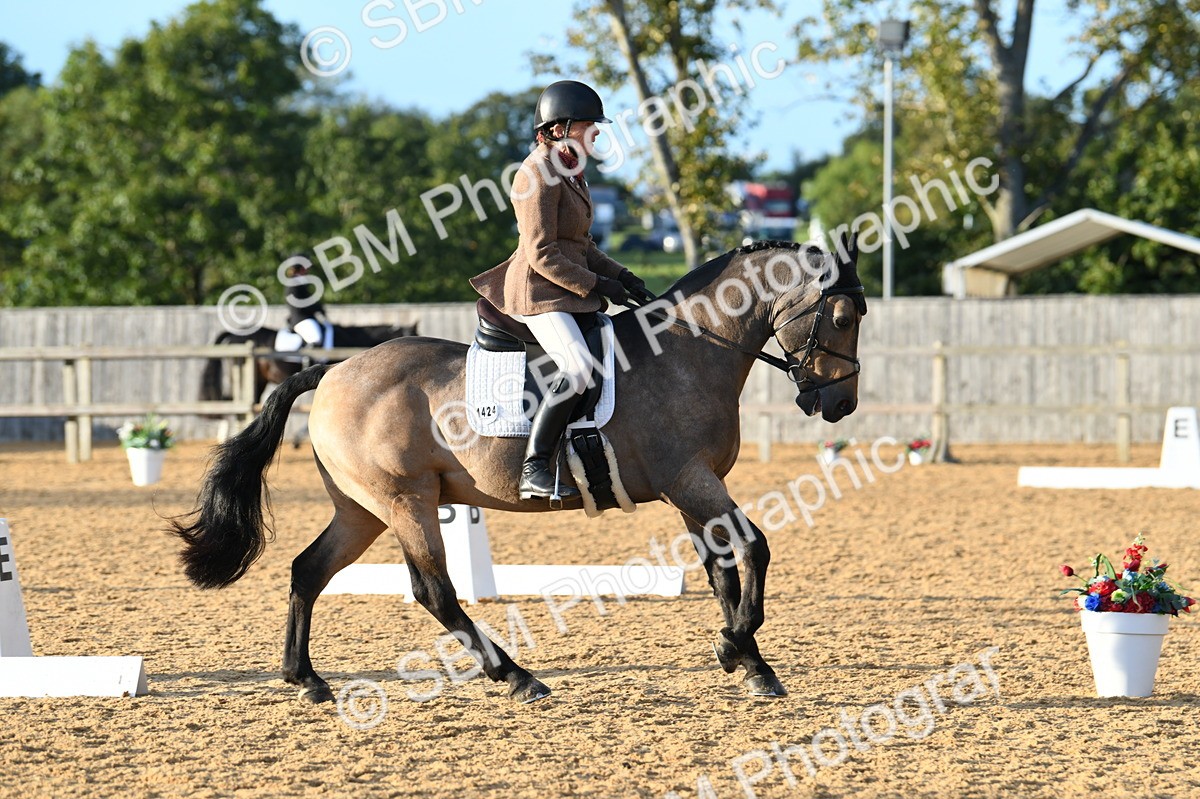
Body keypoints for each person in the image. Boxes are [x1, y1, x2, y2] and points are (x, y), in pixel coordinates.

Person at [470, 80, 646, 501]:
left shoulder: (572, 173)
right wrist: (598, 285)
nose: (596, 134)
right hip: (537, 293)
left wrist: (623, 277)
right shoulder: (535, 175)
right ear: (556, 129)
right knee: (578, 367)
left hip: (564, 291)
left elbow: (582, 246)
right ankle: (535, 467)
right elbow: (542, 253)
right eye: (588, 127)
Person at [285, 258, 330, 349]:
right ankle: (309, 362)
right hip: (301, 319)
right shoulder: (294, 283)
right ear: (302, 269)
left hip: (306, 317)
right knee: (315, 338)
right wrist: (317, 308)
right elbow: (301, 304)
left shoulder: (300, 282)